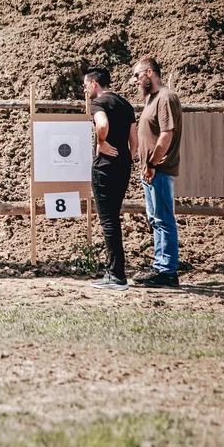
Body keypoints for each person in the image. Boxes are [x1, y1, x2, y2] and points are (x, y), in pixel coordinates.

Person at [83, 66, 137, 291]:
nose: (84, 90)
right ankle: (115, 272)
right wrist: (128, 159)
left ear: (95, 83)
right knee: (113, 218)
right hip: (123, 166)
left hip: (105, 168)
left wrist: (102, 142)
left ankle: (116, 275)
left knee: (108, 221)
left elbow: (102, 124)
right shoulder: (125, 104)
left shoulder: (98, 103)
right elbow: (134, 140)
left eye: (86, 85)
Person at [131, 57, 183, 287]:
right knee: (156, 219)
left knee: (163, 219)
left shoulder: (166, 97)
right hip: (152, 169)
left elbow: (166, 134)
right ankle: (161, 266)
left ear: (149, 72)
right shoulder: (153, 99)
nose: (135, 81)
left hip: (159, 169)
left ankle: (167, 271)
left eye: (137, 75)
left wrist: (152, 163)